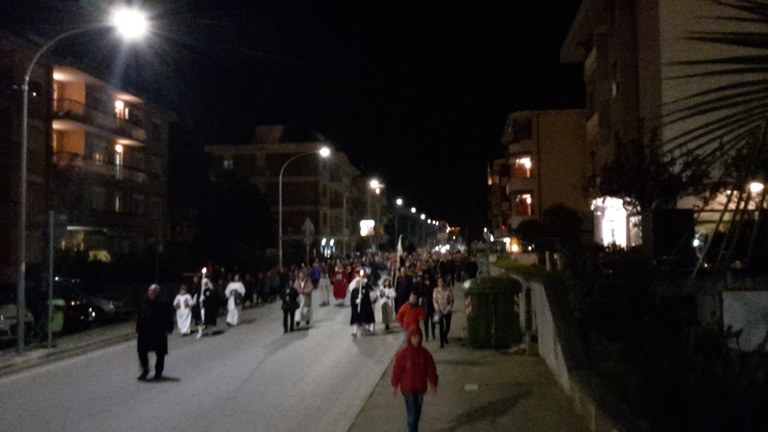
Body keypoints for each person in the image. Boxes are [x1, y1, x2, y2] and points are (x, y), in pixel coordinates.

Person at [391, 325, 438, 432]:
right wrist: (394, 385)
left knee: (417, 411)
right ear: (410, 338)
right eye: (414, 337)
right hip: (408, 388)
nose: (416, 339)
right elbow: (397, 369)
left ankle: (414, 428)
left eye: (418, 337)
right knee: (412, 413)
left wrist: (433, 383)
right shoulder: (403, 353)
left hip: (420, 387)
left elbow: (431, 368)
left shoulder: (424, 353)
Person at [136, 284, 174, 380]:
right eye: (150, 291)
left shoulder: (164, 302)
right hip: (144, 331)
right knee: (142, 351)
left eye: (154, 291)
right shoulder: (144, 301)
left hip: (158, 331)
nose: (151, 293)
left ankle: (158, 372)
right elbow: (140, 315)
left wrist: (169, 328)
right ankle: (145, 370)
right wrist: (138, 327)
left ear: (158, 293)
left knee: (160, 353)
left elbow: (169, 316)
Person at [349, 269, 376, 337]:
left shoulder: (365, 289)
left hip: (364, 307)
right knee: (356, 320)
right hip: (356, 307)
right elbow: (352, 299)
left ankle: (369, 329)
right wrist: (356, 300)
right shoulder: (354, 291)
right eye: (357, 283)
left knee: (367, 318)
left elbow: (369, 296)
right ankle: (355, 332)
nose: (358, 284)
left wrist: (363, 297)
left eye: (359, 283)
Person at [432, 277, 454, 348]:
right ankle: (441, 342)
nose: (440, 283)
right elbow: (435, 301)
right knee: (441, 326)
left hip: (447, 310)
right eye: (439, 282)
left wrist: (447, 309)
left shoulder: (449, 290)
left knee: (447, 326)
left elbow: (451, 301)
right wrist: (438, 309)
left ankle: (445, 336)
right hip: (439, 311)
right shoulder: (435, 290)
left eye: (441, 282)